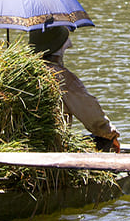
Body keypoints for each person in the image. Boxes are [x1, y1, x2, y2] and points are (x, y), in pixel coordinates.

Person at [29, 24, 121, 152]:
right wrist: (111, 134)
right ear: (58, 50)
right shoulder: (62, 77)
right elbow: (92, 116)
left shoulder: (25, 72)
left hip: (27, 143)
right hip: (52, 148)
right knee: (104, 139)